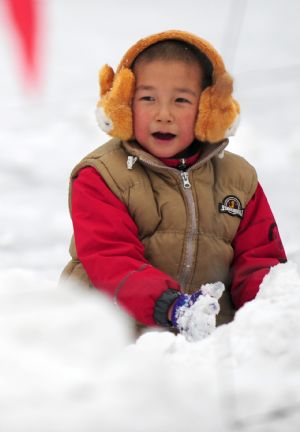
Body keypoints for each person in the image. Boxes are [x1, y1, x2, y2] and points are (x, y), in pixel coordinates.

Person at [61, 30, 287, 337]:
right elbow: (112, 260)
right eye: (147, 98)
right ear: (125, 104)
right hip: (111, 343)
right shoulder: (102, 176)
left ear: (209, 108)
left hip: (208, 346)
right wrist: (172, 306)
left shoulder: (239, 181)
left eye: (181, 100)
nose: (163, 114)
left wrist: (270, 313)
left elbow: (259, 262)